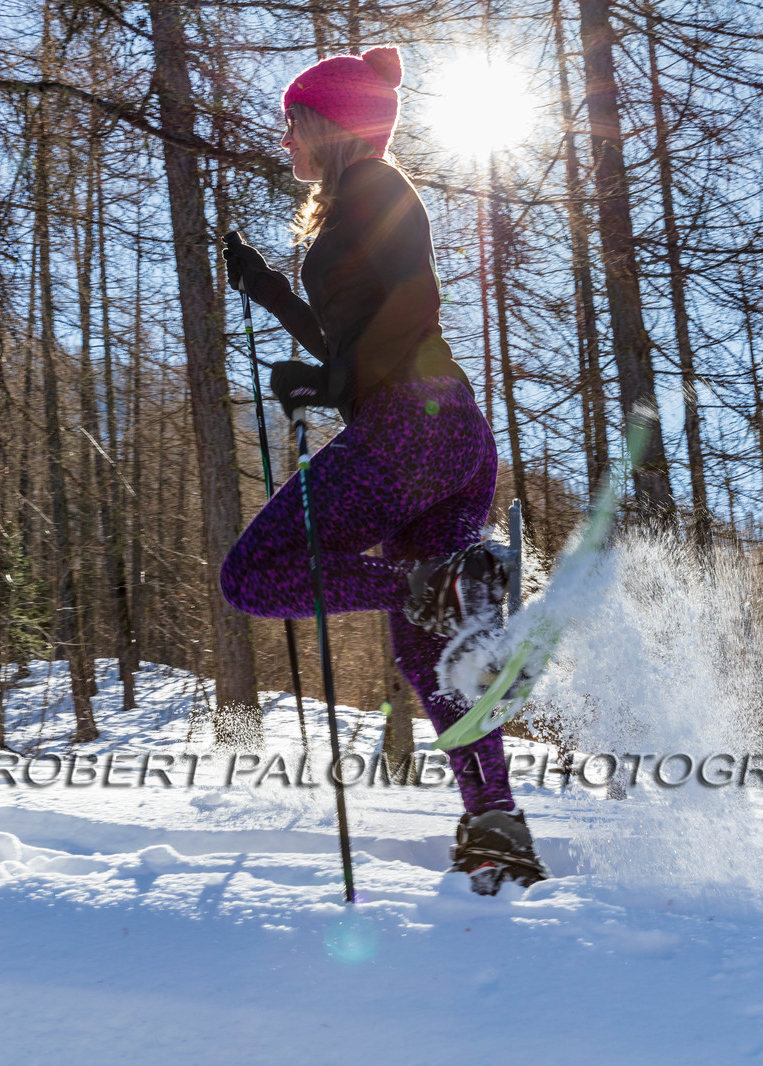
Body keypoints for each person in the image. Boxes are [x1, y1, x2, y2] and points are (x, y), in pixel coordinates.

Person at [219, 45, 546, 895]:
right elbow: (351, 339)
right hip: (450, 441)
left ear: (327, 124)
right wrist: (267, 291)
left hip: (412, 429)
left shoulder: (376, 188)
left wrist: (330, 383)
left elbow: (411, 303)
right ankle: (495, 819)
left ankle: (432, 579)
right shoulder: (351, 206)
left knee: (255, 575)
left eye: (293, 121)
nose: (283, 136)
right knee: (426, 655)